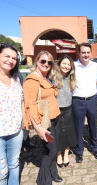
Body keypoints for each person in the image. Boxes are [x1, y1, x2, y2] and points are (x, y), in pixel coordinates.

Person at [23, 51, 62, 184]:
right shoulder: (32, 80)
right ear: (37, 61)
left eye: (49, 62)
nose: (46, 64)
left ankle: (53, 173)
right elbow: (29, 105)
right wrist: (38, 128)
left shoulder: (46, 77)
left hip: (55, 118)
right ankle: (42, 181)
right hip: (45, 122)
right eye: (43, 61)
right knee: (52, 152)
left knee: (51, 148)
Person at [72, 43, 97, 163]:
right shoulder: (73, 65)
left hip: (92, 100)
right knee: (78, 127)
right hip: (77, 100)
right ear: (79, 53)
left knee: (93, 126)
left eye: (88, 52)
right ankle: (79, 150)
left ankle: (95, 148)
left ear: (91, 53)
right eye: (83, 52)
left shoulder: (95, 65)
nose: (86, 55)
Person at [0, 43, 23, 185]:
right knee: (2, 171)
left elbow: (22, 101)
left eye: (14, 58)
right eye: (7, 56)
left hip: (15, 131)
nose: (10, 60)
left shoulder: (17, 78)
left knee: (14, 165)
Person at [54, 55, 78, 168]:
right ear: (59, 64)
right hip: (56, 109)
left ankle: (66, 153)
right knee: (58, 133)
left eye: (68, 64)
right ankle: (58, 154)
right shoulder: (53, 77)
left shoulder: (71, 78)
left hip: (68, 108)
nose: (66, 66)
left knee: (68, 132)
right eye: (64, 63)